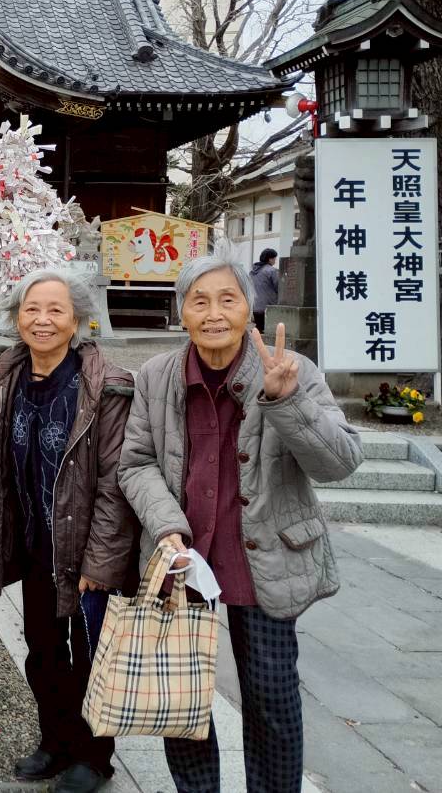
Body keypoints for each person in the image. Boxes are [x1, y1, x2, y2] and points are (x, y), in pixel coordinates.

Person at [119, 251, 362, 793]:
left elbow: (340, 462)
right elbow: (135, 462)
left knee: (272, 698)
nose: (213, 314)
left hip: (265, 558)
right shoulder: (158, 375)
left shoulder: (290, 371)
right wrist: (167, 525)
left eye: (228, 300)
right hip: (184, 558)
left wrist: (287, 400)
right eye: (198, 301)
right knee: (181, 698)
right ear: (180, 312)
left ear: (249, 309)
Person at [0, 269, 138, 793]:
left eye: (55, 311)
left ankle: (94, 755)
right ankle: (55, 739)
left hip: (88, 550)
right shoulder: (7, 373)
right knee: (43, 648)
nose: (42, 320)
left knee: (91, 654)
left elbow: (115, 482)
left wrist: (102, 560)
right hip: (34, 544)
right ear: (16, 317)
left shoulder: (106, 386)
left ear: (78, 321)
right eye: (31, 310)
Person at [249, 248, 279, 333]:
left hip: (255, 307)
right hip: (269, 307)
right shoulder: (271, 271)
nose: (275, 261)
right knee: (269, 333)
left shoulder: (252, 272)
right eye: (274, 259)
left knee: (258, 331)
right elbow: (278, 287)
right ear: (269, 259)